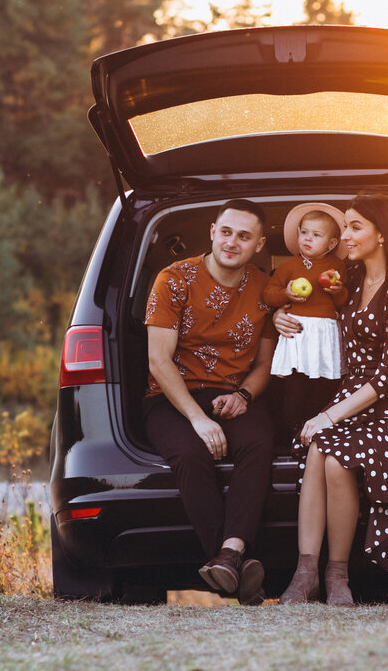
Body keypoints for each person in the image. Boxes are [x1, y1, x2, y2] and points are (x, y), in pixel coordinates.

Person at [274, 193, 388, 606]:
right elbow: (316, 314)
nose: (346, 236)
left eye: (355, 227)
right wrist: (280, 314)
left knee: (335, 459)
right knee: (317, 450)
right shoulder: (348, 285)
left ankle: (337, 576)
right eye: (346, 227)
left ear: (382, 234)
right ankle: (306, 572)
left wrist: (329, 416)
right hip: (351, 397)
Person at [143, 199, 277, 606]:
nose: (232, 242)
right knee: (189, 453)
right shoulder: (174, 279)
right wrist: (198, 420)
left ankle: (229, 555)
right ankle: (238, 563)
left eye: (244, 236)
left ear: (258, 244)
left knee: (258, 444)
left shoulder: (266, 287)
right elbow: (157, 360)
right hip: (170, 396)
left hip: (232, 395)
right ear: (212, 232)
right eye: (226, 231)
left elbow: (265, 364)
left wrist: (244, 395)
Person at [262, 203, 349, 437]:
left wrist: (337, 290)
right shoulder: (288, 265)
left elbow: (343, 302)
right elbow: (269, 294)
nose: (307, 238)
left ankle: (319, 429)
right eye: (304, 232)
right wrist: (286, 294)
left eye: (316, 235)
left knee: (323, 385)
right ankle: (293, 429)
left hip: (324, 335)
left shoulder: (336, 266)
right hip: (298, 333)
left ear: (332, 244)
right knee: (295, 387)